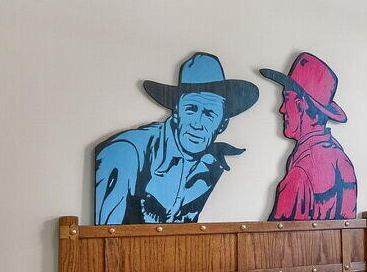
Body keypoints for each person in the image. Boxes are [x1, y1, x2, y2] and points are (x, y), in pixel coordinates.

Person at [95, 52, 258, 224]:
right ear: (177, 112)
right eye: (191, 109)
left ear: (222, 124)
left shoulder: (211, 164)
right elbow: (106, 236)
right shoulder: (126, 153)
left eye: (210, 114)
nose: (197, 123)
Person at [259, 52, 357, 221]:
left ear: (301, 105)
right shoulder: (341, 159)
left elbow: (274, 240)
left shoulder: (301, 171)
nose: (281, 109)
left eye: (286, 99)